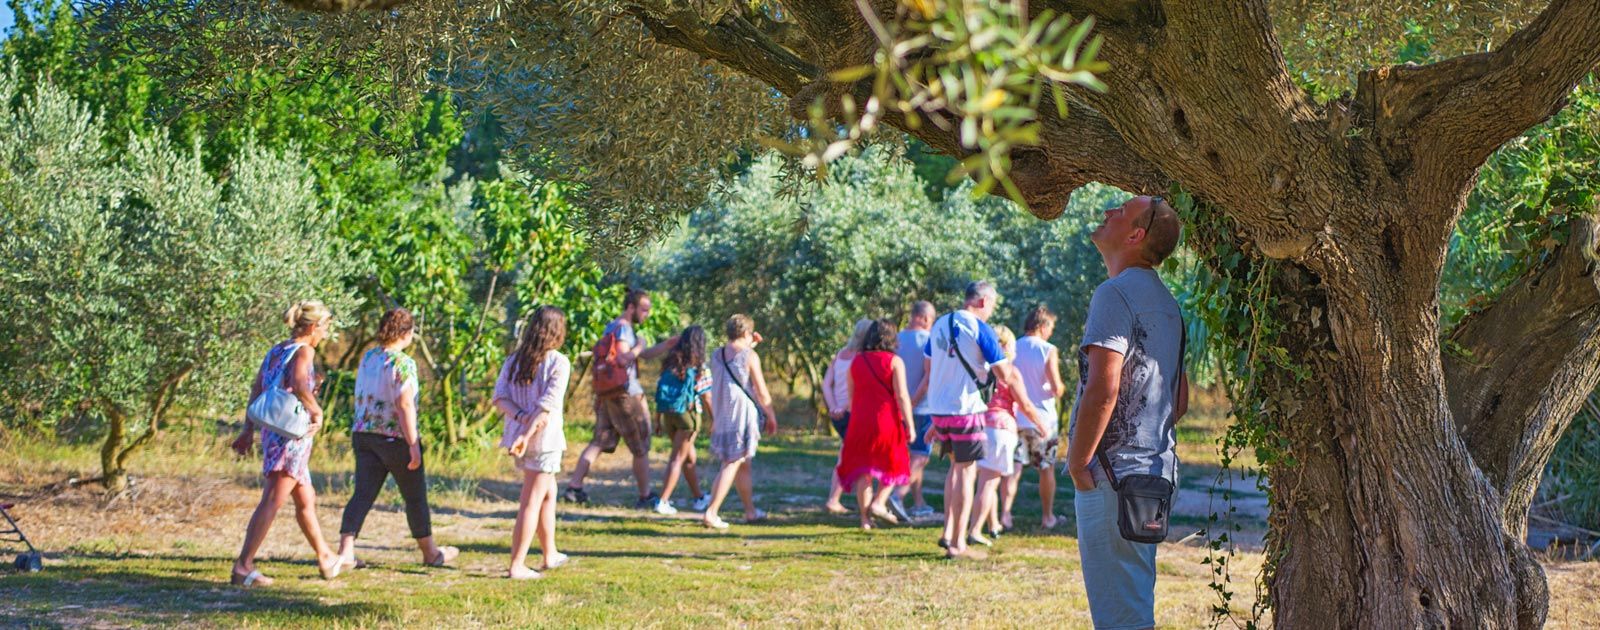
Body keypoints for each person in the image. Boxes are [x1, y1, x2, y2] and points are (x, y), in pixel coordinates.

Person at [1066, 195, 1189, 629]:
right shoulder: (1168, 304)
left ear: (1136, 235)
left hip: (1110, 476)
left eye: (1118, 211)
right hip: (1153, 476)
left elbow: (1104, 386)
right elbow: (1181, 399)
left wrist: (1080, 460)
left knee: (1118, 615)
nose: (1106, 213)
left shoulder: (1113, 293)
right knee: (1133, 602)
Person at [336, 308, 458, 570]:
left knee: (363, 493)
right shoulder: (403, 363)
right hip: (394, 437)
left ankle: (345, 550)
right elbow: (404, 404)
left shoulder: (368, 357)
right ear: (406, 333)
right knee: (414, 496)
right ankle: (430, 552)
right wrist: (414, 444)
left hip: (364, 432)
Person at [229, 300, 341, 586]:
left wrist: (247, 429)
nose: (326, 334)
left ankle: (325, 557)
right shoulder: (304, 351)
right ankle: (243, 566)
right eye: (325, 327)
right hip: (292, 436)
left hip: (274, 432)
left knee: (306, 499)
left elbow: (259, 388)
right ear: (314, 327)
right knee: (272, 500)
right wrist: (316, 409)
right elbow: (301, 386)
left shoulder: (277, 350)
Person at [923, 282, 1039, 559]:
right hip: (966, 409)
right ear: (985, 301)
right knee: (966, 471)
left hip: (939, 408)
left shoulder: (940, 323)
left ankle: (948, 531)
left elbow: (929, 366)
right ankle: (958, 544)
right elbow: (1004, 374)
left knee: (954, 469)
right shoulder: (979, 328)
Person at [563, 289, 677, 508]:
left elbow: (639, 355)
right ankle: (645, 496)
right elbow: (625, 358)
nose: (647, 314)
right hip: (625, 394)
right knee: (641, 445)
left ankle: (574, 487)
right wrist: (640, 345)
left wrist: (665, 345)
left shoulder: (611, 327)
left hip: (608, 393)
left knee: (599, 440)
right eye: (644, 309)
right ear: (631, 307)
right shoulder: (624, 328)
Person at [495, 306, 574, 580]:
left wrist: (519, 420)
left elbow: (500, 398)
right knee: (531, 500)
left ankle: (549, 553)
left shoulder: (514, 360)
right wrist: (526, 433)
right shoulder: (559, 362)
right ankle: (517, 564)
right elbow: (546, 409)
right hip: (542, 441)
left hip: (522, 439)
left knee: (548, 493)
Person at [834, 319, 915, 530]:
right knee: (895, 462)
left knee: (864, 471)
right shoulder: (894, 361)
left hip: (860, 422)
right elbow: (902, 396)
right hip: (886, 420)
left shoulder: (856, 362)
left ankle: (865, 520)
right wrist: (910, 424)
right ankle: (879, 502)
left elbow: (851, 397)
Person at [702, 314, 780, 530]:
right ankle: (711, 512)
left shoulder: (716, 354)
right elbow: (762, 393)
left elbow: (732, 370)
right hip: (741, 416)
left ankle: (750, 511)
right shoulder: (749, 356)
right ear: (747, 333)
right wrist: (771, 415)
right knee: (732, 462)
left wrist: (750, 345)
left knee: (743, 463)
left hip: (722, 414)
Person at [1002, 304, 1068, 531]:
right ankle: (1047, 516)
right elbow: (1057, 386)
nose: (1051, 332)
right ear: (1043, 326)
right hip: (1043, 420)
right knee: (1046, 469)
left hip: (1017, 417)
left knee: (1014, 468)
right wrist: (1058, 388)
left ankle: (1005, 515)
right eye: (1051, 327)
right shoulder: (1048, 349)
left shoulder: (1014, 347)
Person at [652, 326, 714, 515]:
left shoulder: (671, 364)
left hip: (668, 415)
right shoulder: (699, 368)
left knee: (689, 458)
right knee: (677, 458)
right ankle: (663, 501)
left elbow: (660, 391)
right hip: (688, 417)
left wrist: (657, 420)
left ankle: (699, 497)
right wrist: (715, 420)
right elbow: (707, 397)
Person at [969, 325, 1020, 546]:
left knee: (987, 479)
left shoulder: (979, 370)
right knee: (989, 483)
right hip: (1000, 427)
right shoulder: (1008, 372)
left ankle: (993, 524)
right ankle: (974, 530)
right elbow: (1024, 402)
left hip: (978, 426)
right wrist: (1040, 424)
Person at [820, 319, 873, 514]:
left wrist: (833, 406)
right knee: (854, 459)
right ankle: (841, 501)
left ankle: (835, 498)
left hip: (838, 414)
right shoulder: (863, 357)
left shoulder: (841, 354)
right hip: (853, 413)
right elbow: (858, 388)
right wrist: (845, 406)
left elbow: (827, 384)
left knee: (845, 454)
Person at [891, 301, 937, 521]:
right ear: (926, 319)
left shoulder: (895, 339)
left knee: (909, 456)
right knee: (920, 457)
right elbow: (928, 379)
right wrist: (913, 401)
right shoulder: (929, 341)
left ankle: (918, 501)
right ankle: (897, 495)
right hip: (922, 407)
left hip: (896, 408)